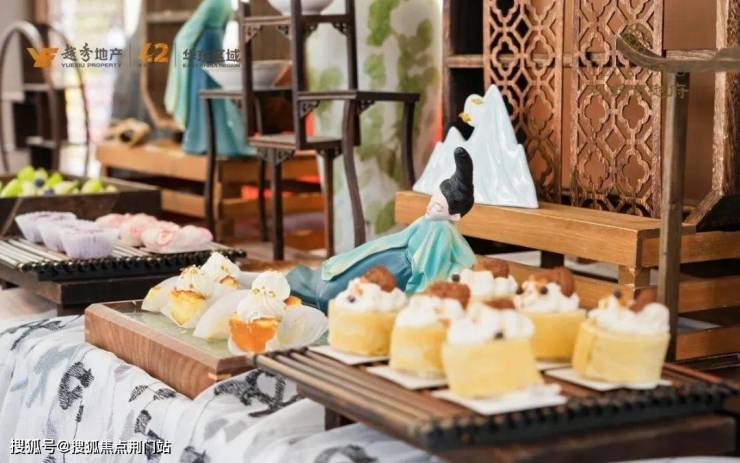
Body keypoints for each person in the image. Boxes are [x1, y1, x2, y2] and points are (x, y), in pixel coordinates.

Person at [287, 147, 478, 311]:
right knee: (354, 267)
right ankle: (316, 285)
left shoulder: (442, 231)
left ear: (454, 216)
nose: (430, 208)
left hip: (402, 269)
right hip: (394, 254)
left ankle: (320, 293)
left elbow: (434, 270)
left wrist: (418, 296)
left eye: (438, 207)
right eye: (432, 200)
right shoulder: (430, 221)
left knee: (350, 287)